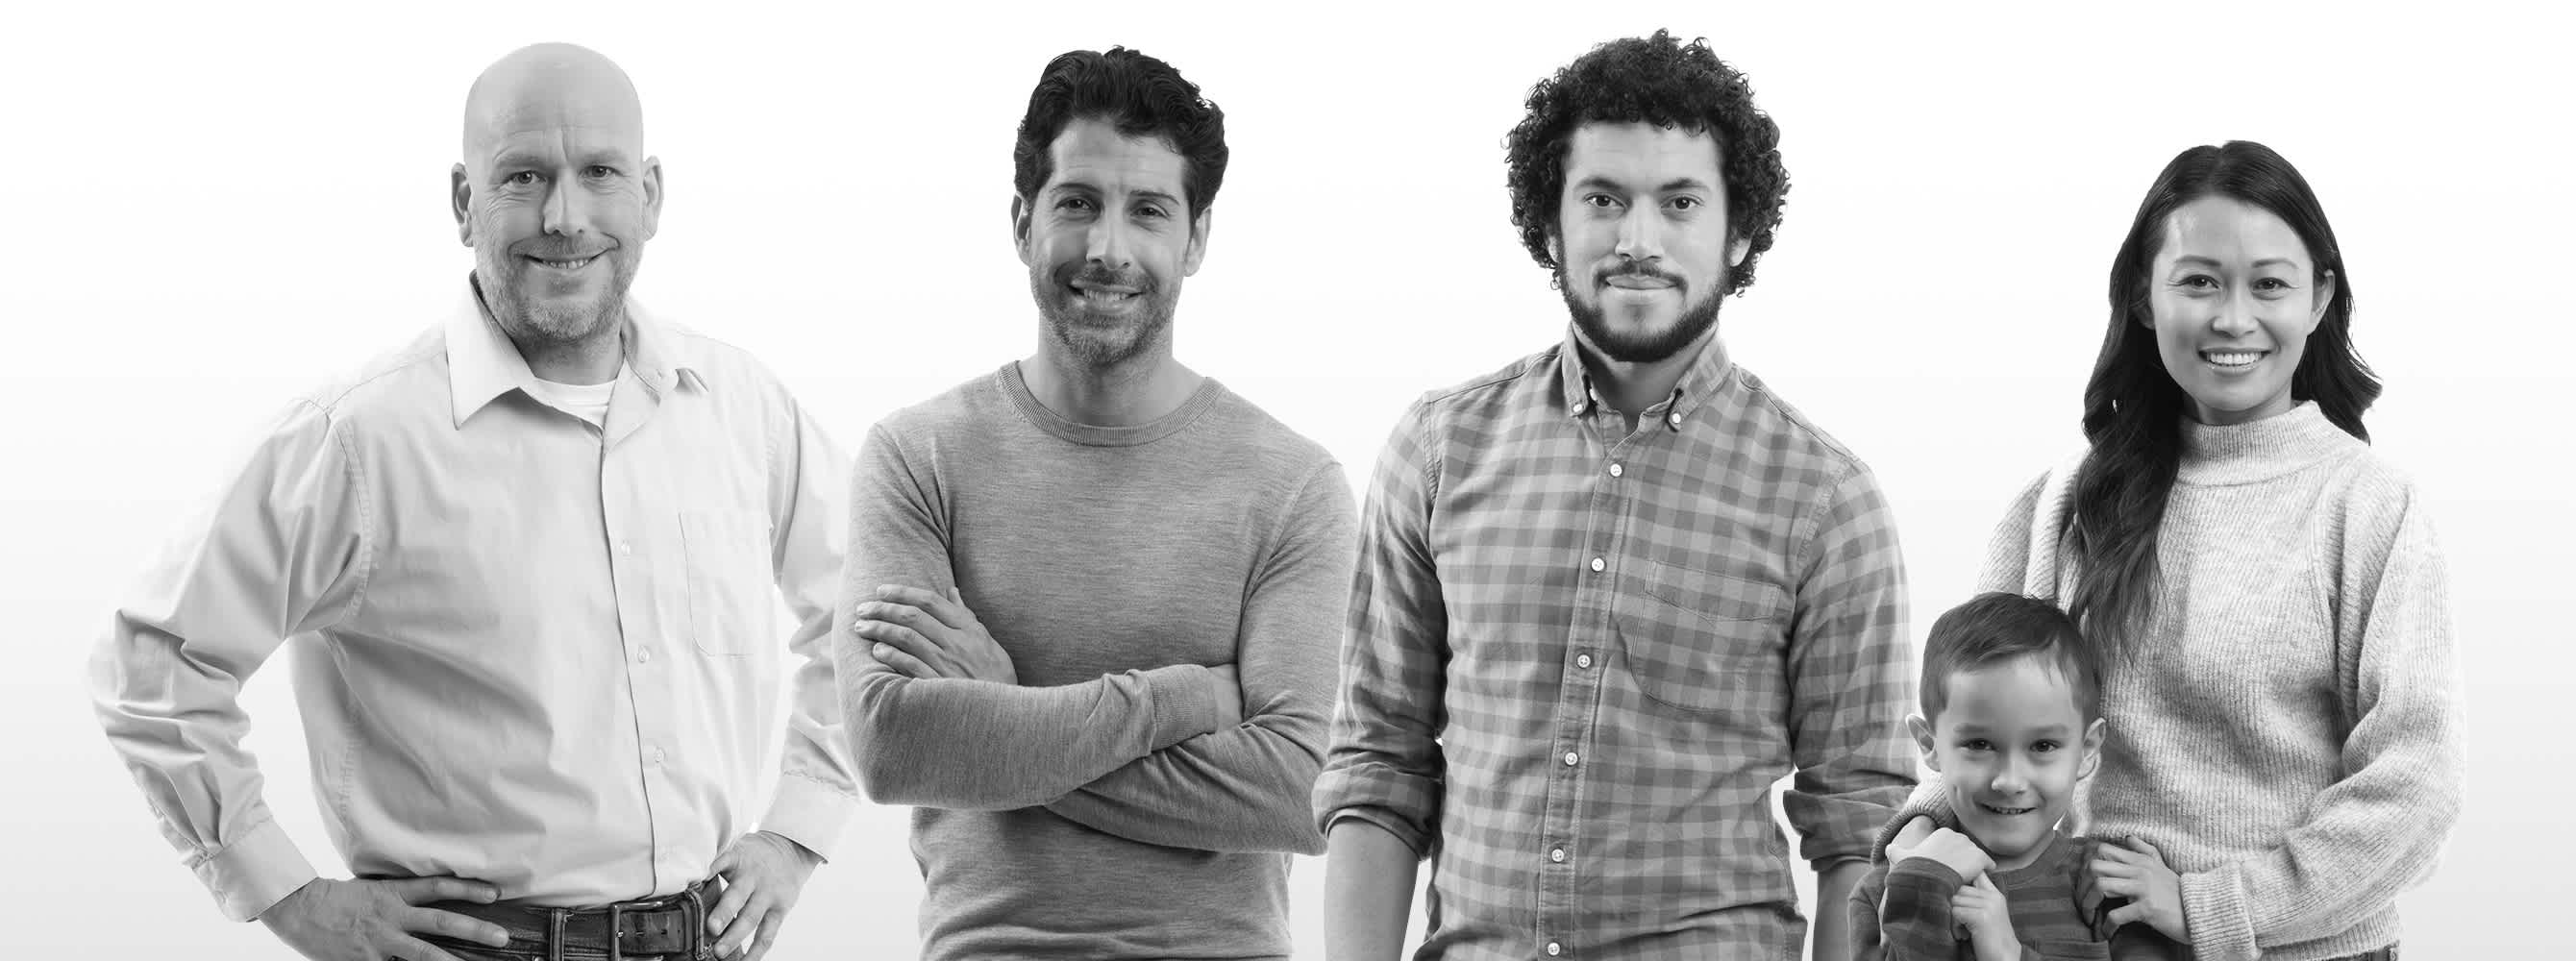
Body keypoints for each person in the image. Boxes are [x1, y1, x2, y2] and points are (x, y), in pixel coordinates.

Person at [87, 43, 856, 961]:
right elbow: (156, 664)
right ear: (464, 202)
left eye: (599, 174)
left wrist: (799, 831)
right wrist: (289, 896)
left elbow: (869, 611)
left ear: (650, 194)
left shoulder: (740, 405)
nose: (565, 219)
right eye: (523, 177)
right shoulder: (358, 438)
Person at [1316, 30, 1917, 961]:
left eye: (1679, 202)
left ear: (1740, 228)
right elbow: (1378, 762)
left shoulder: (1825, 500)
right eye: (1603, 199)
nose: (1637, 239)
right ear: (1550, 223)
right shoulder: (1437, 449)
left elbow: (1859, 828)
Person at [834, 46, 1356, 961]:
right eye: (1077, 203)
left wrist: (1000, 707)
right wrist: (1179, 700)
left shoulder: (1292, 486)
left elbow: (1299, 792)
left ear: (1195, 239)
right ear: (1022, 221)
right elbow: (892, 747)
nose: (1108, 248)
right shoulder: (918, 457)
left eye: (1148, 211)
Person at [1880, 140, 2462, 961]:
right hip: (2075, 938)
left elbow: (2418, 784)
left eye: (2269, 283)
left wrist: (2214, 905)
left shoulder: (2368, 506)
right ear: (2146, 299)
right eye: (2198, 281)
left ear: (2320, 297)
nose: (2232, 318)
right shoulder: (2066, 500)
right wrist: (1921, 835)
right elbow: (1981, 716)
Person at [1852, 592, 2180, 960]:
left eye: (2042, 746)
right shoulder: (1887, 887)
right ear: (1930, 745)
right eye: (1979, 744)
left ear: (2087, 750)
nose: (2009, 781)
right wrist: (1922, 889)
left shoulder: (2112, 887)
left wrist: (2010, 954)